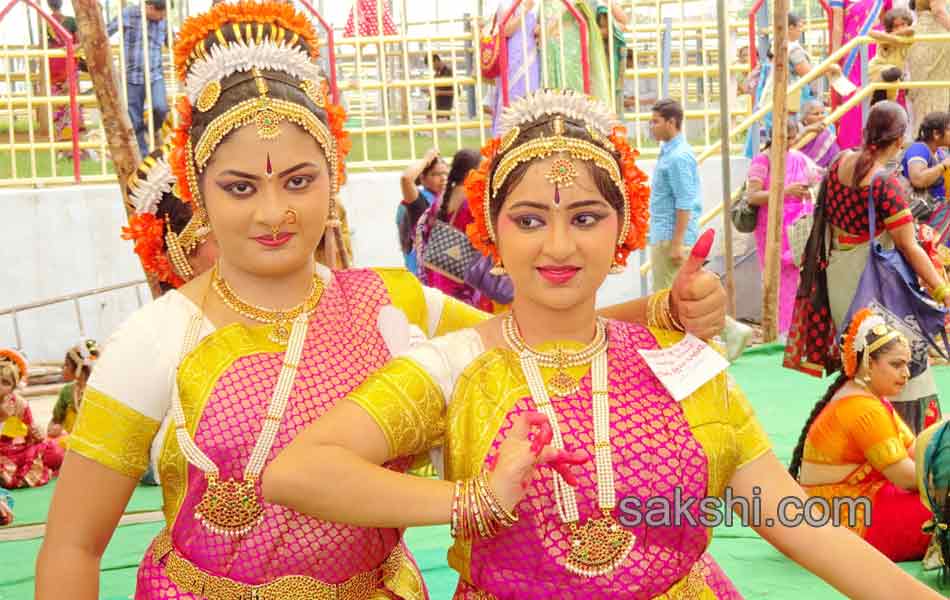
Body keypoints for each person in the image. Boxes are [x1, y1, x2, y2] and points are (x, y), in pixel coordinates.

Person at [35, 4, 729, 598]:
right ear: (200, 185)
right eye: (241, 187)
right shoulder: (157, 335)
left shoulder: (393, 303)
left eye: (299, 181)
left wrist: (666, 310)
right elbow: (73, 546)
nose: (274, 212)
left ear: (333, 173)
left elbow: (527, 338)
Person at [262, 89, 945, 600]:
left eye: (585, 217)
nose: (559, 246)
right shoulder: (458, 367)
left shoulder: (677, 362)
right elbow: (297, 472)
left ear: (623, 229)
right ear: (492, 231)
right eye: (529, 219)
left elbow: (788, 515)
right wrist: (475, 498)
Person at [786, 102, 948, 434]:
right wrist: (942, 290)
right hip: (879, 289)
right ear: (900, 139)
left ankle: (856, 444)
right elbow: (908, 246)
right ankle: (906, 453)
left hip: (841, 280)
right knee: (905, 371)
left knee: (860, 366)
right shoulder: (882, 182)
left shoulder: (837, 165)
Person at [790, 308, 932, 562]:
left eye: (907, 365)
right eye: (896, 365)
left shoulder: (870, 398)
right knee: (940, 510)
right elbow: (907, 478)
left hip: (845, 508)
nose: (906, 373)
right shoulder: (863, 409)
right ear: (867, 362)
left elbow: (915, 451)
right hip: (843, 519)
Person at [649, 99, 753, 360]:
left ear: (672, 123)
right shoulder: (670, 153)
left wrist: (676, 243)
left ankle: (728, 331)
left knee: (672, 296)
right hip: (667, 233)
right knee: (678, 295)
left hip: (673, 237)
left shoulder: (678, 157)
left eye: (655, 121)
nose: (651, 127)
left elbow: (685, 202)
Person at [746, 119, 824, 336]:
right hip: (770, 228)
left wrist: (805, 193)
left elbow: (817, 178)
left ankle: (793, 329)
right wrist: (785, 191)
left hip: (795, 228)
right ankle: (778, 330)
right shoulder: (763, 161)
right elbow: (753, 196)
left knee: (794, 279)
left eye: (793, 138)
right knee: (775, 277)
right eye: (786, 138)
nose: (790, 142)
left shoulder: (798, 158)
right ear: (775, 137)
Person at [414, 149, 506, 311]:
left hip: (441, 272)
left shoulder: (443, 197)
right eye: (483, 170)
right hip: (463, 278)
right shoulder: (472, 199)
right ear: (472, 173)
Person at [108, 0, 168, 157]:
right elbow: (107, 31)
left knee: (161, 107)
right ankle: (142, 157)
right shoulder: (128, 14)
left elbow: (173, 42)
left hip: (155, 75)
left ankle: (152, 129)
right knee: (134, 119)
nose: (163, 17)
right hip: (132, 76)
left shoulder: (163, 21)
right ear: (149, 8)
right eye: (160, 13)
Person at [832, 0, 893, 149]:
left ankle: (881, 145)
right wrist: (834, 57)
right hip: (853, 51)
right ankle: (851, 146)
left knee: (880, 95)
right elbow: (837, 25)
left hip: (877, 48)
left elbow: (889, 22)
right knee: (854, 97)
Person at [0, 350, 63, 489]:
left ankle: (11, 476)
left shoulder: (20, 404)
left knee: (54, 451)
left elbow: (31, 438)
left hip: (17, 452)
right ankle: (10, 477)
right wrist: (3, 419)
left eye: (5, 382)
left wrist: (37, 434)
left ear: (13, 387)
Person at [540, 0, 612, 104]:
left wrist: (547, 29)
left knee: (573, 81)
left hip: (570, 41)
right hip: (550, 41)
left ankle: (576, 114)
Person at [492, 0, 540, 136]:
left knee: (531, 96)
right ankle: (505, 138)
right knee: (512, 97)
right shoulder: (506, 3)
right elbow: (505, 30)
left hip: (530, 56)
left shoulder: (532, 4)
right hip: (513, 57)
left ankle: (528, 135)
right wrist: (525, 10)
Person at [398, 148, 448, 276]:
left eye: (446, 174)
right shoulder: (419, 203)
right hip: (424, 276)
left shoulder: (447, 201)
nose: (443, 178)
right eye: (436, 174)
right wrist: (426, 159)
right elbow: (406, 178)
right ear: (423, 178)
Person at [46, 0, 86, 158]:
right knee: (69, 106)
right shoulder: (69, 22)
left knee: (62, 108)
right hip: (64, 68)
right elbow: (81, 42)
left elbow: (46, 46)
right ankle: (73, 148)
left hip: (58, 68)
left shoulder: (48, 22)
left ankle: (66, 148)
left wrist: (69, 48)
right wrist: (71, 47)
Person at [905, 0, 950, 137]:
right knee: (933, 95)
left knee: (928, 95)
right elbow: (938, 11)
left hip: (928, 39)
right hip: (934, 39)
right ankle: (931, 143)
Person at [47, 339, 99, 440]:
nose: (63, 368)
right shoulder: (67, 391)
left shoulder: (96, 392)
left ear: (79, 367)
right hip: (69, 440)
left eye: (67, 365)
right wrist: (53, 429)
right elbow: (55, 420)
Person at [868, 8, 916, 105]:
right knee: (894, 72)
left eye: (903, 24)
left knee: (889, 103)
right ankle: (876, 98)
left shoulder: (908, 37)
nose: (900, 28)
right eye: (896, 26)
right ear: (890, 28)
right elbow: (870, 32)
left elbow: (913, 29)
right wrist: (893, 38)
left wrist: (895, 36)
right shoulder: (885, 37)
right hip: (878, 71)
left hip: (893, 78)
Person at [797, 100, 841, 168]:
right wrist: (807, 129)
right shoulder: (796, 130)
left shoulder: (827, 133)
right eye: (816, 114)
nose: (821, 116)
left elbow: (835, 156)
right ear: (804, 117)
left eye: (822, 113)